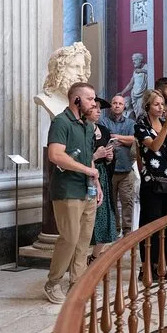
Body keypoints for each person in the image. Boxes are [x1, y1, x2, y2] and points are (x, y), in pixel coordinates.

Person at [44, 82, 102, 304]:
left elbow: (88, 157)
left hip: (87, 189)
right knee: (69, 238)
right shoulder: (61, 122)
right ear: (76, 100)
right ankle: (53, 283)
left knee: (84, 240)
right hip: (68, 189)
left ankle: (77, 284)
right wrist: (87, 170)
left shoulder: (86, 125)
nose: (94, 103)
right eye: (90, 99)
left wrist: (96, 183)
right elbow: (55, 155)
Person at [134, 89, 167, 279]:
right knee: (151, 222)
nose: (161, 107)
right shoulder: (141, 126)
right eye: (156, 104)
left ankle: (161, 264)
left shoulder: (166, 124)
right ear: (147, 105)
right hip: (152, 181)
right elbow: (154, 146)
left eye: (162, 104)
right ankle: (147, 265)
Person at [99, 95, 136, 236]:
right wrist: (123, 140)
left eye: (120, 103)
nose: (117, 105)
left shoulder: (130, 123)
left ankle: (127, 231)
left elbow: (133, 139)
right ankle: (115, 229)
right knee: (111, 202)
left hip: (126, 168)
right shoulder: (103, 121)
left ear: (124, 106)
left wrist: (116, 137)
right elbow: (105, 139)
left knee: (127, 201)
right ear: (111, 105)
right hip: (109, 170)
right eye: (114, 103)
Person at [86, 100, 117, 264]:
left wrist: (109, 157)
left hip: (102, 175)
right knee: (88, 218)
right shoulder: (82, 130)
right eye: (95, 108)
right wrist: (96, 155)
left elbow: (109, 158)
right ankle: (80, 258)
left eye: (99, 109)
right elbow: (78, 157)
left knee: (105, 217)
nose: (98, 111)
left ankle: (95, 256)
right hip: (86, 175)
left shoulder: (104, 130)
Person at [119, 53, 148, 119]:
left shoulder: (147, 67)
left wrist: (142, 71)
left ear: (140, 60)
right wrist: (122, 92)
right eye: (133, 60)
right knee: (136, 113)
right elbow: (131, 84)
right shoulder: (135, 71)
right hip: (134, 95)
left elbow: (151, 73)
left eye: (135, 60)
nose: (133, 62)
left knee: (142, 112)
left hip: (142, 95)